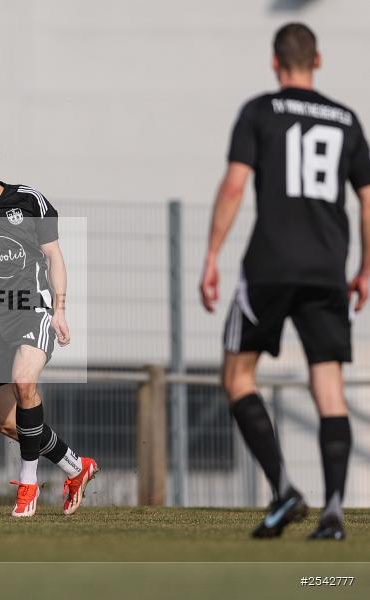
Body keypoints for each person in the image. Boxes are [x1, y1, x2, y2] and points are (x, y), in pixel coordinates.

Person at [199, 23, 370, 540]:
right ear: (318, 60)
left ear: (276, 63)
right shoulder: (346, 120)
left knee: (237, 378)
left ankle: (284, 488)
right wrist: (365, 267)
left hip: (270, 266)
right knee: (329, 390)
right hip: (326, 270)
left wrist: (211, 256)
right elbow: (367, 200)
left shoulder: (259, 111)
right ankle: (334, 512)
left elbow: (234, 184)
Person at [0, 132, 98, 517]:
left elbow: (55, 258)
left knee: (24, 383)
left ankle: (27, 487)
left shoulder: (30, 202)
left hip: (35, 307)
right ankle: (76, 467)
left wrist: (60, 309)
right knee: (5, 421)